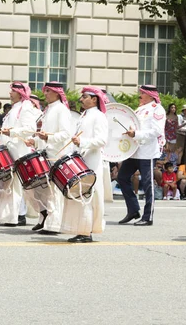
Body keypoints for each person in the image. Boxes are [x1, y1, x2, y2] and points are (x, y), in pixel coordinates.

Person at [61, 87, 108, 243]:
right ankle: (81, 229)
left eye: (85, 97)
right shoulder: (84, 115)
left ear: (94, 99)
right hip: (81, 160)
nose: (81, 99)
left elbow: (102, 140)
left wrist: (83, 142)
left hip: (92, 162)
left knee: (88, 195)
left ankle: (86, 232)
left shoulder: (99, 116)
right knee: (79, 194)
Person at [25, 81, 72, 234]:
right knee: (40, 189)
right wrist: (36, 140)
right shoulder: (48, 110)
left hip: (57, 155)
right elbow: (45, 133)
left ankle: (54, 225)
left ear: (57, 93)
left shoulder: (61, 110)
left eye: (48, 91)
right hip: (46, 153)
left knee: (54, 193)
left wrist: (47, 139)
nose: (44, 94)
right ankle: (45, 217)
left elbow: (66, 134)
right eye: (44, 91)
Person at [118, 85, 166, 226]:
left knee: (147, 184)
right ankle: (133, 209)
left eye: (142, 93)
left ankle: (148, 216)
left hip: (147, 152)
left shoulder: (157, 109)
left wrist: (137, 134)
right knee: (122, 178)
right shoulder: (139, 109)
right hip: (134, 151)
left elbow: (156, 131)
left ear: (150, 95)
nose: (140, 95)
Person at [0, 82, 36, 226]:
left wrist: (11, 133)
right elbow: (8, 129)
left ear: (20, 93)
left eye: (12, 91)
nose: (10, 94)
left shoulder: (26, 107)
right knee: (9, 185)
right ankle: (13, 215)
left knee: (15, 185)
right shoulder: (15, 108)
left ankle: (19, 215)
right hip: (10, 150)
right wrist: (0, 140)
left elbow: (30, 129)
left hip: (19, 151)